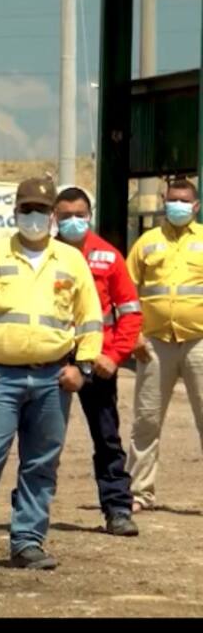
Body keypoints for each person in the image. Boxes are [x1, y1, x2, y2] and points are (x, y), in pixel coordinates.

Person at [0, 177, 103, 573]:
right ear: (15, 212)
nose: (34, 217)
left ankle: (28, 541)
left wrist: (82, 367)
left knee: (41, 463)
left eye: (41, 210)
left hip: (53, 379)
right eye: (26, 209)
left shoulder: (71, 260)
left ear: (52, 216)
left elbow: (90, 318)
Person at [53, 186, 141, 537]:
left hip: (98, 361)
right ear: (54, 218)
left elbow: (130, 312)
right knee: (42, 440)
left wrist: (115, 355)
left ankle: (118, 508)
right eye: (65, 216)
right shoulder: (44, 255)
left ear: (90, 215)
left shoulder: (108, 256)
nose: (73, 221)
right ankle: (30, 512)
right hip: (52, 360)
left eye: (79, 215)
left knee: (106, 438)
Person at [124, 178, 203, 514]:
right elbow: (127, 292)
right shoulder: (146, 243)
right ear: (163, 201)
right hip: (154, 343)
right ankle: (138, 492)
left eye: (184, 201)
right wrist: (133, 335)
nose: (178, 206)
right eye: (173, 200)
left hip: (199, 341)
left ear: (196, 206)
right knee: (147, 420)